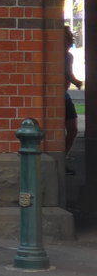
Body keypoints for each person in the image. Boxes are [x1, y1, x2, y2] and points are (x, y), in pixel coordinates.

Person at [64, 27, 81, 171]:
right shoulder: (51, 55)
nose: (69, 43)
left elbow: (69, 74)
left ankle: (62, 158)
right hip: (56, 97)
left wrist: (77, 82)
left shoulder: (68, 56)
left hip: (64, 96)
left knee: (73, 129)